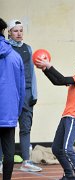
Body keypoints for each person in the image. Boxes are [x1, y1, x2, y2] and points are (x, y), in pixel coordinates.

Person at [35, 55, 75, 180]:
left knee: (67, 149)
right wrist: (45, 70)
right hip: (66, 117)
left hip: (74, 118)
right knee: (56, 149)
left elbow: (62, 79)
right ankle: (69, 175)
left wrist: (49, 66)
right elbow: (57, 81)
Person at [0, 19, 42, 172]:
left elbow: (31, 72)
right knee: (4, 127)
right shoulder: (5, 48)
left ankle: (26, 161)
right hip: (10, 94)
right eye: (15, 30)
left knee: (26, 127)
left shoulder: (28, 49)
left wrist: (34, 93)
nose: (19, 33)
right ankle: (1, 161)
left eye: (21, 30)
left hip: (27, 93)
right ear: (9, 32)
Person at [0, 17, 25, 180]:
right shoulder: (16, 57)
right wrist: (16, 111)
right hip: (9, 111)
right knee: (9, 152)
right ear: (4, 31)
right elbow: (22, 89)